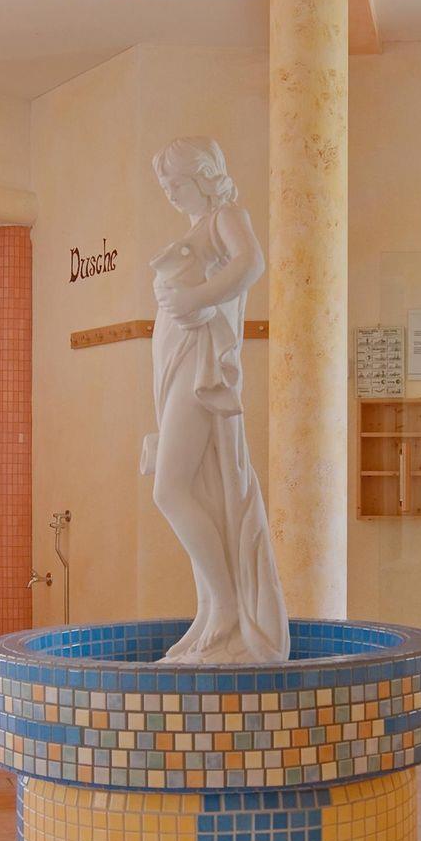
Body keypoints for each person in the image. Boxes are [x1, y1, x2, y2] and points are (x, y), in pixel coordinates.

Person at [143, 136, 289, 664]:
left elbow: (251, 264)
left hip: (203, 371)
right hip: (178, 364)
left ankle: (226, 605)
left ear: (204, 176)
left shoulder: (226, 216)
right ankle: (210, 610)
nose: (169, 192)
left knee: (171, 489)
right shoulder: (194, 228)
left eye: (176, 182)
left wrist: (195, 297)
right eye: (164, 184)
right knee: (199, 493)